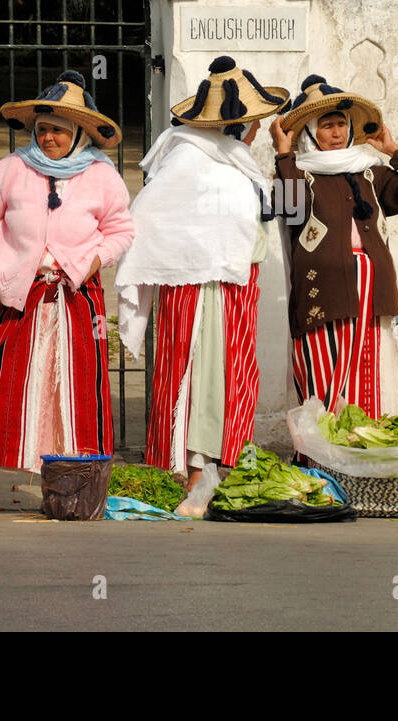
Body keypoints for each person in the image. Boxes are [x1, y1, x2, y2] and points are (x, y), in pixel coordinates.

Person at [0, 72, 133, 513]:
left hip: (77, 296)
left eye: (58, 131)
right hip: (22, 295)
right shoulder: (12, 168)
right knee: (2, 384)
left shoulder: (101, 177)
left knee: (79, 388)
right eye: (43, 129)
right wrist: (3, 258)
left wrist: (90, 262)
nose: (48, 138)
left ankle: (74, 489)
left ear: (78, 134)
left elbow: (121, 229)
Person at [115, 56, 287, 491]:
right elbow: (153, 219)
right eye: (253, 121)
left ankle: (216, 465)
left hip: (234, 288)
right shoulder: (192, 161)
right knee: (197, 372)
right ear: (237, 126)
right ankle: (190, 467)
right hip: (196, 291)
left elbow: (274, 213)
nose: (259, 129)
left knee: (228, 372)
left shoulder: (233, 163)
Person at [269, 74, 398, 417]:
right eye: (327, 126)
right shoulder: (299, 174)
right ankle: (321, 455)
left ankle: (364, 454)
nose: (336, 133)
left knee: (368, 371)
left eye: (341, 125)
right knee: (324, 372)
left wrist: (392, 149)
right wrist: (284, 154)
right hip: (325, 292)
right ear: (310, 133)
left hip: (373, 291)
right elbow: (290, 208)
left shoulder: (370, 173)